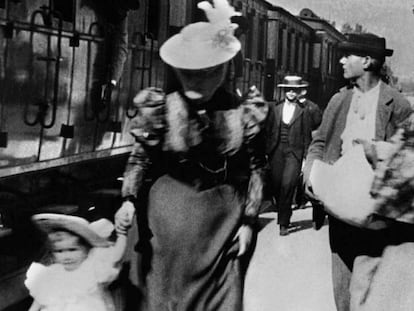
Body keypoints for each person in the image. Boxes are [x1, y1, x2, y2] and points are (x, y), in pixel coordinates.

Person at [114, 0, 268, 310]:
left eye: (207, 73)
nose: (197, 82)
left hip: (221, 221)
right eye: (190, 74)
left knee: (219, 297)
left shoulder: (243, 114)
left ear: (223, 70)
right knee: (161, 293)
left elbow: (256, 168)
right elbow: (140, 157)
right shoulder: (159, 108)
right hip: (168, 217)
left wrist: (249, 222)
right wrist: (128, 200)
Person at [303, 33, 414, 311]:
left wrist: (377, 152)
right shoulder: (338, 101)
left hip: (375, 219)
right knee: (342, 294)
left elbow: (408, 160)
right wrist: (311, 175)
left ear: (366, 61)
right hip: (339, 213)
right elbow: (318, 142)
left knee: (365, 296)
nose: (341, 60)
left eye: (347, 55)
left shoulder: (397, 105)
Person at [25, 213, 130, 311]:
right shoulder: (51, 274)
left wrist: (122, 234)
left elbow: (115, 257)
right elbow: (40, 298)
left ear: (86, 250)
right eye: (59, 251)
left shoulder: (92, 267)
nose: (66, 257)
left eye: (72, 250)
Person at [266, 75, 321, 236]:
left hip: (294, 154)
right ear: (284, 91)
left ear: (298, 92)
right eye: (288, 90)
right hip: (276, 152)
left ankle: (284, 222)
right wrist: (266, 153)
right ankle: (282, 212)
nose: (291, 93)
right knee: (277, 185)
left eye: (294, 90)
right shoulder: (275, 109)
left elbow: (307, 136)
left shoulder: (304, 112)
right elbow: (268, 132)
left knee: (287, 186)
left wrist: (305, 159)